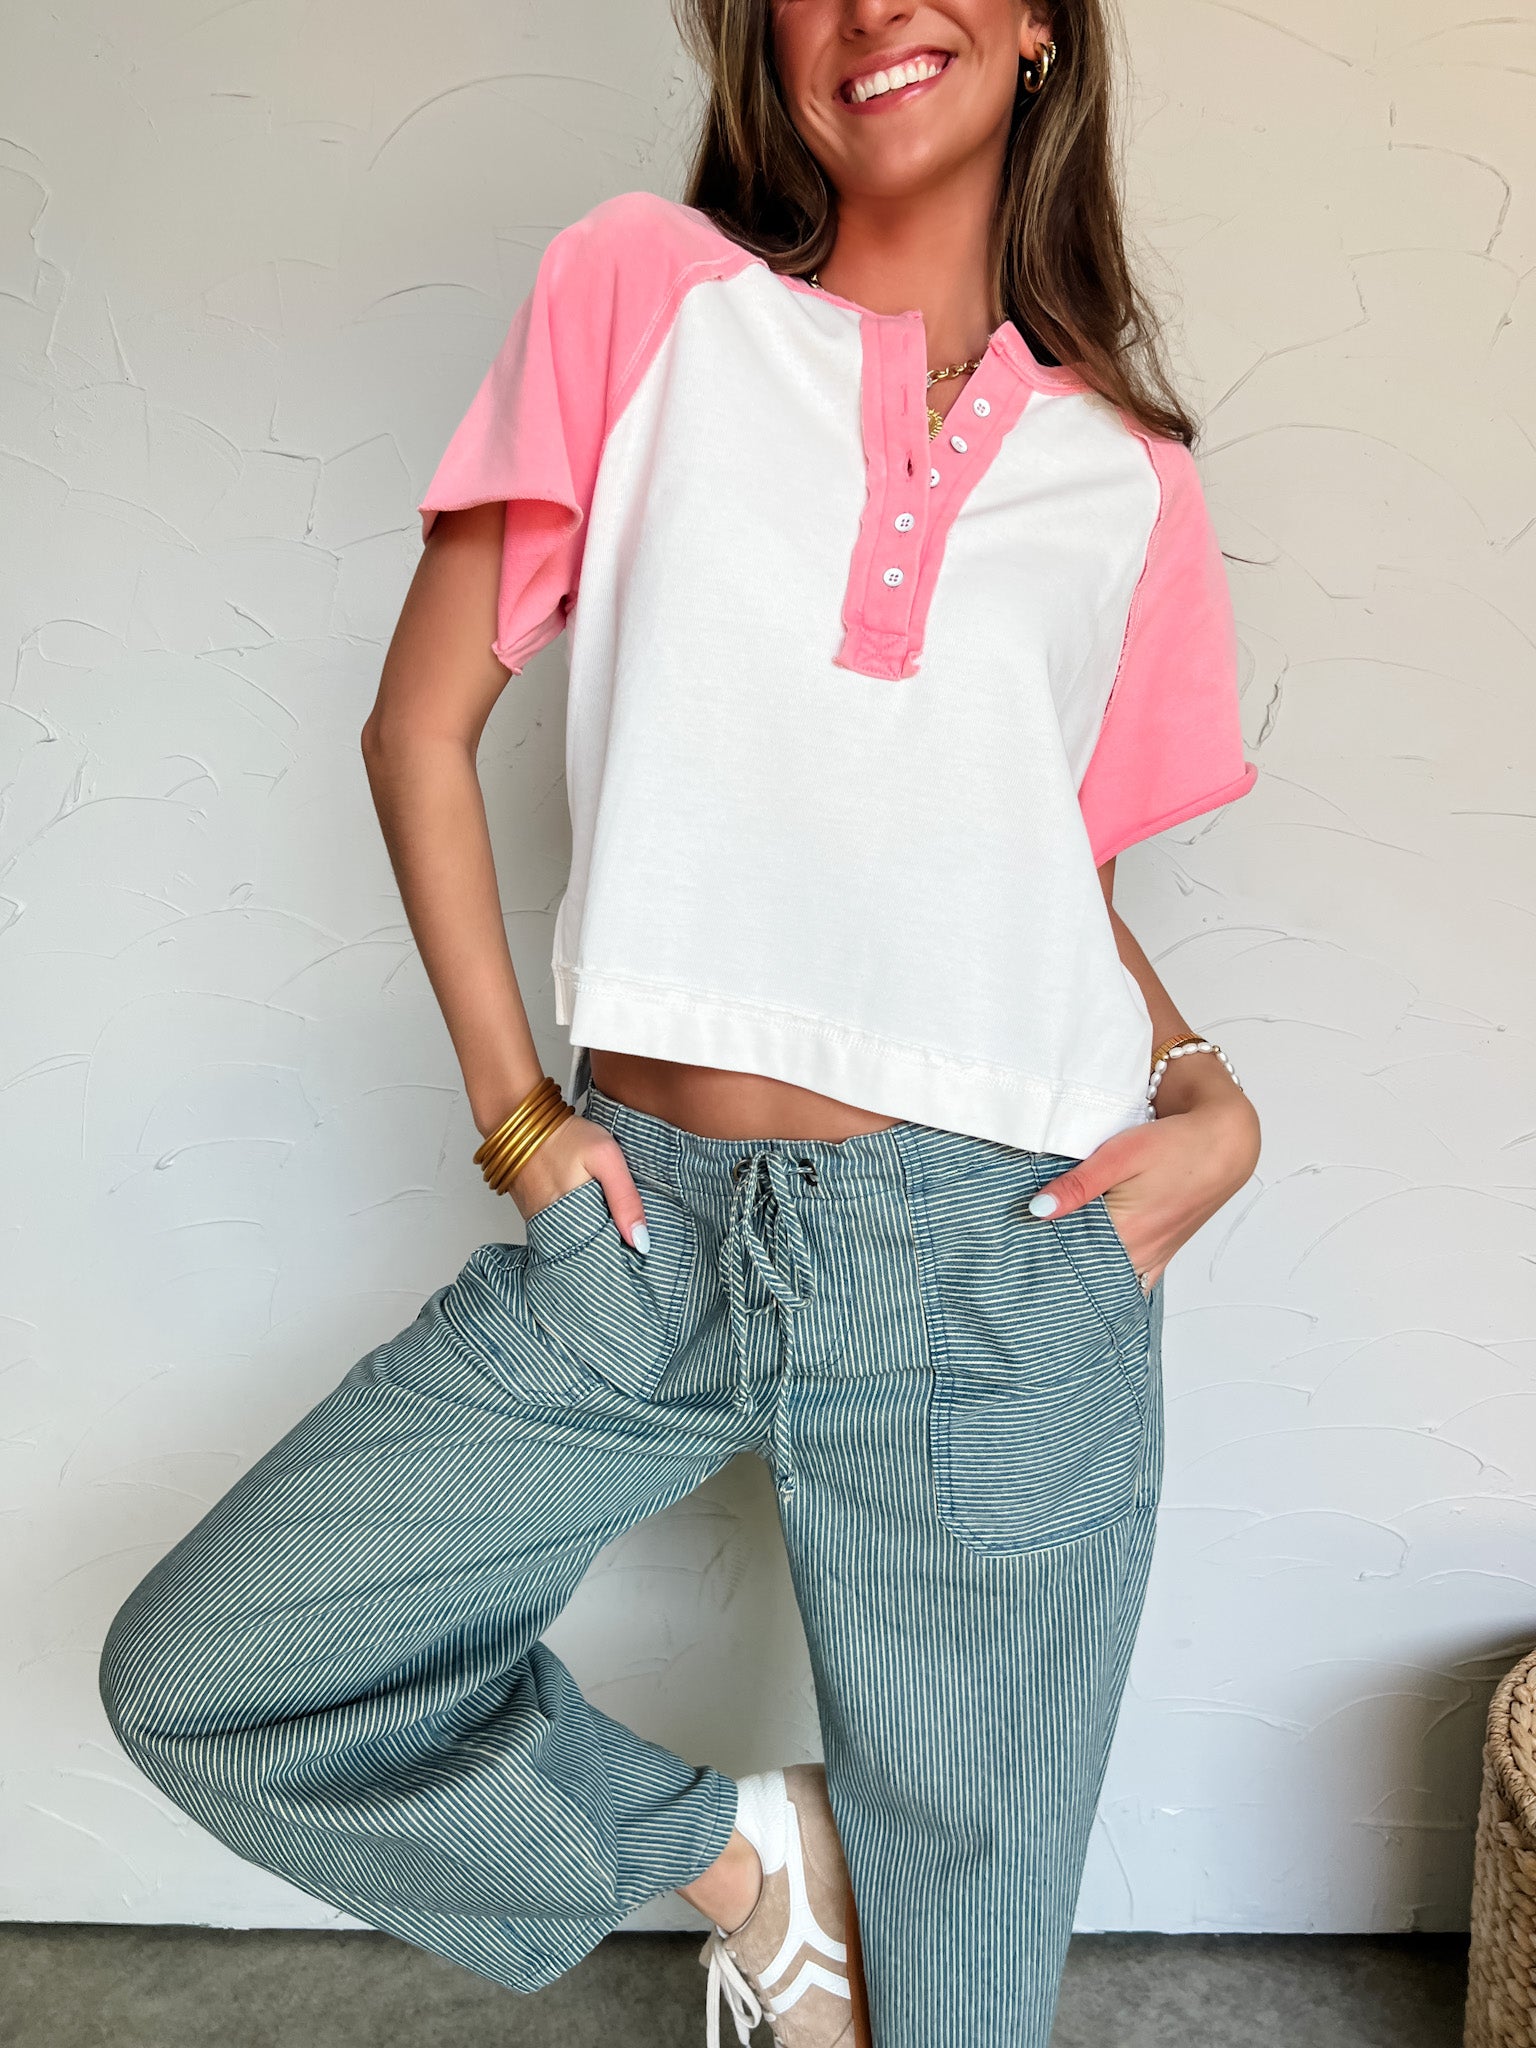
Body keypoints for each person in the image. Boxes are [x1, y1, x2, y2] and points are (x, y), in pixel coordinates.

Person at [98, 1, 1263, 2042]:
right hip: (644, 1229)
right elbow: (417, 731)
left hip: (1003, 1259)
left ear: (1040, 31)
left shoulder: (1133, 482)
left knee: (963, 2008)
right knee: (217, 1668)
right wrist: (518, 1122)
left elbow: (1052, 879)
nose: (873, 7)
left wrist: (1212, 1097)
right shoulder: (644, 294)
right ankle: (748, 1868)